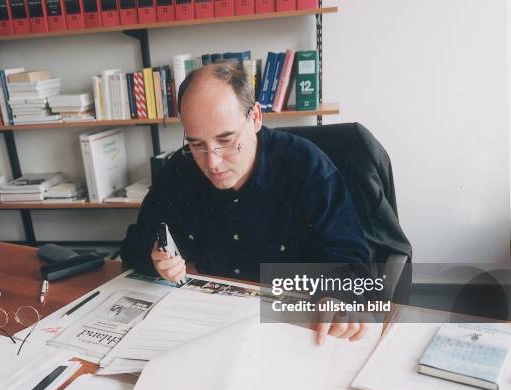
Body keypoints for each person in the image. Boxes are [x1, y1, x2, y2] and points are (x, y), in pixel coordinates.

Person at [121, 62, 371, 344]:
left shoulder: (306, 166)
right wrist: (155, 259)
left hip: (295, 328)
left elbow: (350, 255)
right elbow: (133, 246)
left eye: (226, 140)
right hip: (209, 326)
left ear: (255, 118)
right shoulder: (180, 168)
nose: (212, 162)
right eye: (197, 144)